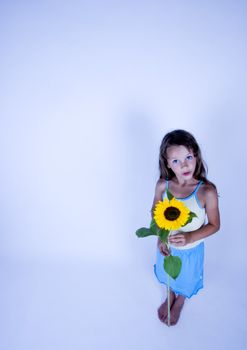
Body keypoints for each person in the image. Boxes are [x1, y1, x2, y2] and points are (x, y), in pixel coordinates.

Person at [151, 129, 220, 326]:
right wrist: (160, 237)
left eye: (188, 156)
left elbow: (215, 225)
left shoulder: (206, 191)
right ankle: (171, 294)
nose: (184, 164)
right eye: (176, 161)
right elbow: (155, 213)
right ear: (167, 164)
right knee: (169, 273)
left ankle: (181, 299)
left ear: (196, 155)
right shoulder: (162, 186)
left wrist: (190, 237)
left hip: (190, 251)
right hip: (168, 249)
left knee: (187, 279)